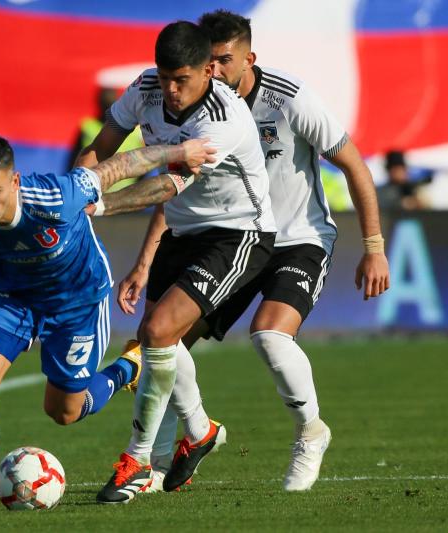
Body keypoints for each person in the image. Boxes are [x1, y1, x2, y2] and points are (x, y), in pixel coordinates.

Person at [108, 9, 391, 497]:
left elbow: (354, 164)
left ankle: (310, 432)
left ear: (248, 58)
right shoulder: (194, 111)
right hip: (226, 234)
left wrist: (374, 246)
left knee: (269, 335)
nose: (216, 71)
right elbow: (183, 194)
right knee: (162, 343)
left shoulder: (290, 99)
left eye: (225, 60)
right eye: (209, 62)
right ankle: (172, 452)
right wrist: (145, 260)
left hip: (297, 239)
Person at [0, 133, 215, 511]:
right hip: (12, 295)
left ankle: (128, 369)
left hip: (77, 301)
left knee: (64, 412)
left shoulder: (57, 195)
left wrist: (178, 152)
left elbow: (119, 166)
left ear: (15, 181)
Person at [75, 21, 278, 504]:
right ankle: (201, 431)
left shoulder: (221, 118)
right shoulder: (146, 88)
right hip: (182, 232)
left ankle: (137, 462)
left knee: (158, 332)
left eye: (181, 79)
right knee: (160, 339)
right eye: (165, 76)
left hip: (238, 234)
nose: (170, 89)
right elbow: (103, 146)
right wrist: (73, 190)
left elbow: (166, 185)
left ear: (209, 70)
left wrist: (98, 205)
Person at [66, 87, 144, 191]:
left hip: (105, 194)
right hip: (107, 194)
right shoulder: (87, 126)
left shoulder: (87, 126)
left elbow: (73, 160)